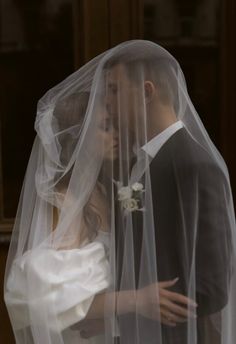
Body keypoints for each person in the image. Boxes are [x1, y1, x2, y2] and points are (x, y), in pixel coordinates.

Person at [4, 40, 236, 344]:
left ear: (146, 92)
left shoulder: (194, 165)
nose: (107, 101)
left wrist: (135, 307)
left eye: (114, 90)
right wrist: (122, 313)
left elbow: (212, 286)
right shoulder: (139, 166)